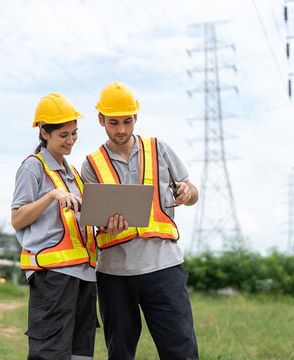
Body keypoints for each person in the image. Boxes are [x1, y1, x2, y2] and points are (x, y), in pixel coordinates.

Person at [81, 81, 199, 360]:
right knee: (120, 354)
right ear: (101, 120)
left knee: (180, 351)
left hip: (164, 268)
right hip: (114, 275)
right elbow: (94, 219)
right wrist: (105, 224)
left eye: (127, 121)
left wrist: (187, 192)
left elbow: (193, 193)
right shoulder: (91, 164)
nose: (121, 129)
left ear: (136, 117)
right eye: (113, 122)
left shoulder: (160, 149)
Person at [11, 93, 98, 360]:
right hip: (53, 276)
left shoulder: (74, 175)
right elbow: (17, 218)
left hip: (85, 275)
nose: (70, 140)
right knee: (51, 352)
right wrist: (51, 196)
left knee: (80, 352)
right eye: (63, 135)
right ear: (44, 133)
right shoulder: (32, 168)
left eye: (74, 133)